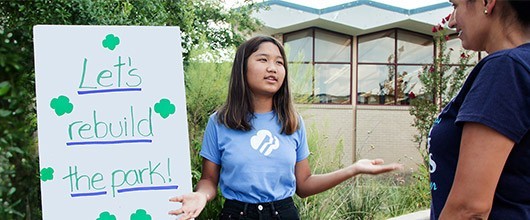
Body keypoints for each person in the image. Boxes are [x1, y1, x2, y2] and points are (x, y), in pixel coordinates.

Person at [168, 36, 401, 219]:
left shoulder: (293, 121)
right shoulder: (220, 122)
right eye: (263, 59)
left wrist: (353, 169)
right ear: (242, 67)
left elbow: (304, 184)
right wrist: (200, 196)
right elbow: (209, 180)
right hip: (236, 215)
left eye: (279, 62)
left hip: (284, 214)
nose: (273, 68)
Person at [429, 0, 530, 219]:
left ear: (487, 2)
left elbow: (469, 209)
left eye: (456, 6)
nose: (452, 21)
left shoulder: (506, 69)